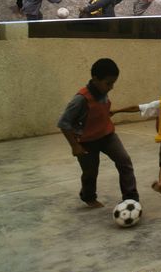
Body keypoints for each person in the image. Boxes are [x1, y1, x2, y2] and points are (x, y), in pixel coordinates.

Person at [58, 58, 140, 208]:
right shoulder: (80, 99)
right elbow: (64, 123)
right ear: (95, 79)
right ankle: (89, 196)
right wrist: (75, 146)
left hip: (107, 136)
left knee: (124, 161)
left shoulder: (103, 91)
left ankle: (131, 198)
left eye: (113, 83)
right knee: (90, 172)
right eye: (108, 83)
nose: (111, 87)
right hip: (86, 141)